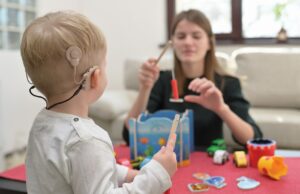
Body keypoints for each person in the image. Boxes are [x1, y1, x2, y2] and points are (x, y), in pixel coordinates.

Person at [21, 11, 177, 194]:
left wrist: (126, 174)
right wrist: (157, 174)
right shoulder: (86, 140)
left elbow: (84, 169)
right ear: (95, 77)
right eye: (105, 64)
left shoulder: (42, 123)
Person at [123, 9, 262, 149]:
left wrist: (221, 109)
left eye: (196, 36)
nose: (188, 42)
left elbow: (252, 139)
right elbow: (130, 135)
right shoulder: (161, 80)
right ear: (173, 43)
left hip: (209, 162)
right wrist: (144, 88)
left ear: (209, 43)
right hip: (168, 162)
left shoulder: (228, 83)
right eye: (181, 36)